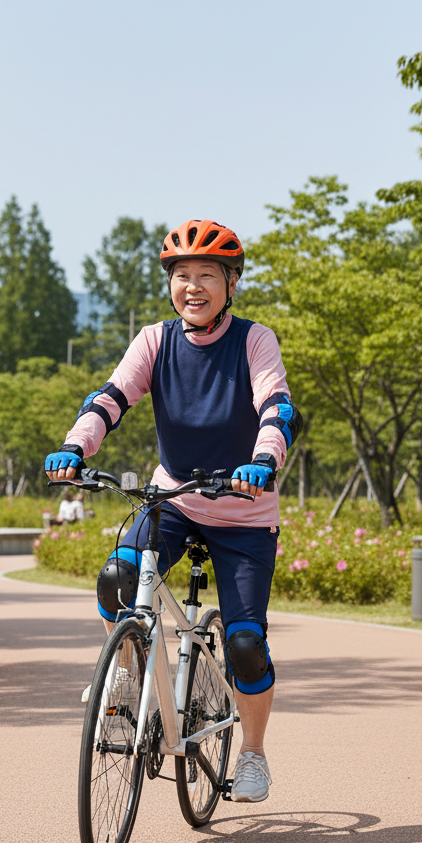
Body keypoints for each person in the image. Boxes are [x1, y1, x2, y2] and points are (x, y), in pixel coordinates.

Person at [44, 219, 301, 804]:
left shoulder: (255, 340)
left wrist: (264, 459)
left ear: (230, 283)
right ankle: (128, 683)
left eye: (207, 275)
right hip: (175, 499)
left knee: (244, 645)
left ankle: (254, 754)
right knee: (119, 575)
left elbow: (277, 406)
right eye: (182, 275)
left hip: (243, 510)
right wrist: (74, 446)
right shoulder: (155, 341)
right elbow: (110, 398)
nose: (193, 286)